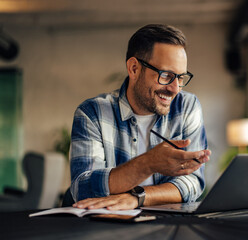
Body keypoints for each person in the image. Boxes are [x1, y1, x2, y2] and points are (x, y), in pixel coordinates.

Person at [69, 24, 211, 211]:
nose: (175, 88)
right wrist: (148, 163)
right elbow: (83, 188)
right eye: (166, 75)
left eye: (181, 78)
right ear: (134, 68)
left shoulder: (186, 106)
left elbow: (193, 181)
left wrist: (138, 197)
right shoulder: (92, 113)